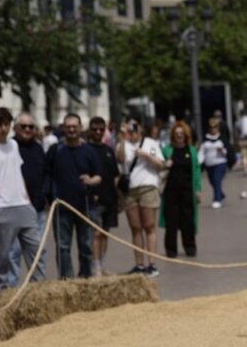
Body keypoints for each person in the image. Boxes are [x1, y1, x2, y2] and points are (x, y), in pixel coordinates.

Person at [0, 108, 40, 291]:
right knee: (2, 255)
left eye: (7, 124)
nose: (4, 128)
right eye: (0, 124)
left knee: (36, 249)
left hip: (22, 204)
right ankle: (3, 291)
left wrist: (27, 200)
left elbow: (18, 172)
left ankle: (39, 287)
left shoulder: (13, 145)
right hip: (2, 206)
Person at [46, 113, 103, 278]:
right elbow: (47, 176)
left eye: (74, 127)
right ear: (63, 129)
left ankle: (85, 278)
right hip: (61, 207)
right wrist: (49, 200)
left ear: (80, 128)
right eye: (68, 127)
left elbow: (99, 176)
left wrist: (91, 181)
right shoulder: (55, 150)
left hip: (85, 206)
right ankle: (67, 281)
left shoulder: (89, 151)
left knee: (86, 246)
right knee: (63, 247)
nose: (71, 130)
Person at [118, 120, 164, 274]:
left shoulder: (150, 143)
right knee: (135, 228)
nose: (132, 131)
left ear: (141, 129)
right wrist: (123, 138)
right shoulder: (123, 144)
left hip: (147, 186)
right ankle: (139, 265)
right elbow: (120, 159)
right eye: (129, 128)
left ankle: (152, 264)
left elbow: (160, 165)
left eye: (135, 128)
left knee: (149, 226)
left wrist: (146, 156)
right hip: (130, 189)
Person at [12, 113, 49, 284]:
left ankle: (38, 287)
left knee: (38, 251)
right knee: (13, 252)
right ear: (16, 128)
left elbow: (45, 173)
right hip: (15, 208)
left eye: (30, 126)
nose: (27, 129)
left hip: (37, 209)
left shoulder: (38, 148)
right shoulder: (10, 147)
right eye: (23, 126)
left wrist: (45, 194)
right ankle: (11, 291)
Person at [162, 121, 200, 260]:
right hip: (171, 190)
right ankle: (171, 250)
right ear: (173, 136)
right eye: (177, 134)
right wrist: (165, 164)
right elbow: (159, 165)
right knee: (171, 221)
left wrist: (198, 189)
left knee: (188, 220)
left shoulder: (192, 151)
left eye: (182, 134)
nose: (179, 136)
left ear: (186, 135)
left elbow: (197, 170)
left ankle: (190, 247)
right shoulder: (167, 150)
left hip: (187, 190)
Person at [87, 116, 121, 275]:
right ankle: (95, 266)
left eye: (101, 129)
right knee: (96, 233)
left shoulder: (108, 150)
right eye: (95, 129)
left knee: (106, 234)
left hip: (110, 198)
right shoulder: (86, 149)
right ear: (90, 130)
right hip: (94, 199)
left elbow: (115, 175)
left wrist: (118, 196)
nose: (98, 132)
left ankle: (101, 263)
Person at [199, 117, 230, 210]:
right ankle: (221, 194)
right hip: (209, 165)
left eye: (215, 127)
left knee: (217, 180)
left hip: (220, 163)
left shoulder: (222, 139)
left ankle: (217, 199)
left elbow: (228, 152)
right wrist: (199, 162)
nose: (213, 129)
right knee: (212, 182)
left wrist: (222, 150)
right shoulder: (205, 140)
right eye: (211, 127)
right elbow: (201, 152)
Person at [235, 108, 247, 175]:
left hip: (242, 141)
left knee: (244, 156)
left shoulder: (238, 121)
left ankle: (246, 169)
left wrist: (237, 141)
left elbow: (236, 133)